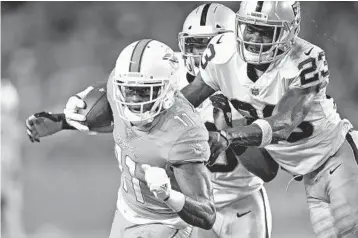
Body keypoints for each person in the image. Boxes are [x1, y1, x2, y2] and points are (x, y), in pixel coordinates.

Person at [26, 3, 274, 238]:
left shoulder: (252, 83)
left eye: (212, 45)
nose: (203, 55)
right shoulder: (166, 72)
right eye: (196, 45)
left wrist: (230, 132)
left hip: (240, 200)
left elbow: (267, 170)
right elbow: (127, 113)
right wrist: (63, 121)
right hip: (181, 206)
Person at [180, 1, 358, 237]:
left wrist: (228, 135)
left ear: (289, 31)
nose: (255, 38)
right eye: (250, 28)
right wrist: (154, 116)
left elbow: (284, 123)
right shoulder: (222, 53)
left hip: (338, 157)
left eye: (265, 32)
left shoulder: (306, 59)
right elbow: (186, 100)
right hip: (310, 177)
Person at [27, 40, 216, 238]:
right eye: (130, 90)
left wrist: (169, 195)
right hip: (125, 212)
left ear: (168, 90)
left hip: (164, 223)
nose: (134, 100)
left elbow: (207, 214)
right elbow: (117, 120)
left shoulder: (183, 132)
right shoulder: (117, 94)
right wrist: (61, 121)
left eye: (145, 91)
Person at [1, 79, 26, 238]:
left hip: (9, 179)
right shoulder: (12, 128)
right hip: (8, 179)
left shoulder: (13, 128)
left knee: (13, 219)